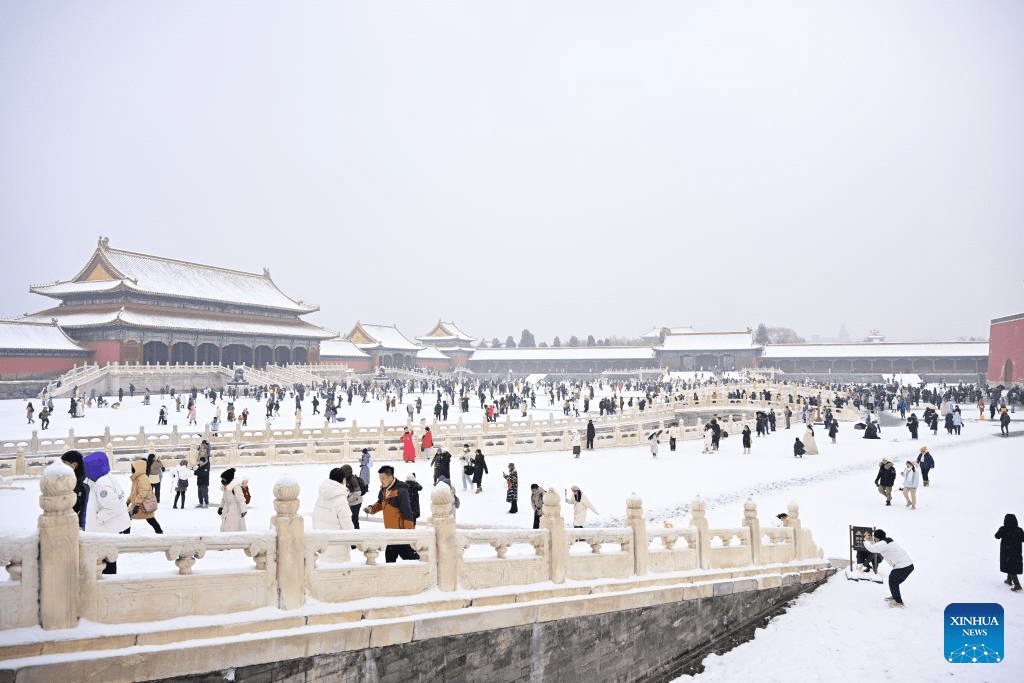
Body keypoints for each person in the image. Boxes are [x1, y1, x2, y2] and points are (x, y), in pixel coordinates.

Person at [83, 451, 132, 574]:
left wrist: (98, 519)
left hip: (106, 529)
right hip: (112, 528)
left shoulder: (102, 483)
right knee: (110, 557)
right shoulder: (107, 477)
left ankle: (108, 584)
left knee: (106, 559)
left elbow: (112, 506)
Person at [363, 465, 419, 563]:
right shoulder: (383, 490)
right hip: (390, 531)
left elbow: (407, 512)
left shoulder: (401, 491)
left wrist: (409, 533)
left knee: (409, 557)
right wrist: (371, 509)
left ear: (390, 477)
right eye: (380, 478)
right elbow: (381, 503)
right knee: (391, 558)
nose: (381, 481)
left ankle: (420, 571)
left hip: (401, 532)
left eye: (383, 478)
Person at [863, 528, 914, 607]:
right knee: (893, 581)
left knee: (893, 581)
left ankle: (899, 602)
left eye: (875, 537)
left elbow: (872, 548)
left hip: (903, 566)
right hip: (907, 565)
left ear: (878, 537)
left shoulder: (883, 544)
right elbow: (878, 545)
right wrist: (871, 541)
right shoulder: (887, 541)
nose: (874, 539)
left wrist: (866, 541)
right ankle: (895, 597)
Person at [313, 467, 355, 563]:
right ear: (343, 480)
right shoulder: (341, 500)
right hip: (338, 549)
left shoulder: (321, 497)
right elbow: (348, 527)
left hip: (323, 546)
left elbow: (315, 519)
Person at [128, 459, 164, 534]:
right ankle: (159, 531)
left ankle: (125, 534)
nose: (132, 469)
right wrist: (128, 500)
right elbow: (134, 493)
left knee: (128, 517)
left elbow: (142, 493)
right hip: (140, 504)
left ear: (138, 468)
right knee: (150, 518)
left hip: (142, 505)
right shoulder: (137, 478)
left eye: (133, 467)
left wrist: (137, 505)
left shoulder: (142, 478)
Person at [995, 513, 1024, 592]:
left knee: (1010, 567)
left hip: (1006, 551)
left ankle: (1017, 585)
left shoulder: (1003, 529)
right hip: (1016, 552)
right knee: (1012, 565)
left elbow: (997, 536)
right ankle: (1009, 580)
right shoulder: (1019, 530)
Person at [60, 450, 88, 530]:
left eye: (64, 463)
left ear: (74, 465)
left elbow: (84, 511)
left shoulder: (82, 487)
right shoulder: (64, 481)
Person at [340, 463, 367, 529]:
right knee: (350, 518)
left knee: (354, 518)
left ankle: (356, 531)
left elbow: (358, 492)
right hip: (351, 502)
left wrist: (348, 498)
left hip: (356, 502)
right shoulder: (347, 479)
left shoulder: (353, 479)